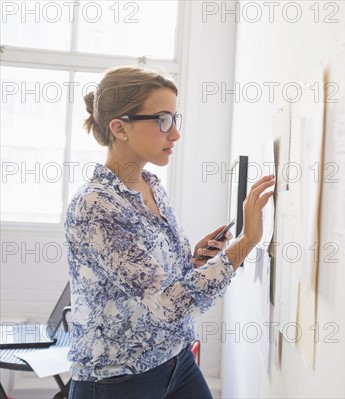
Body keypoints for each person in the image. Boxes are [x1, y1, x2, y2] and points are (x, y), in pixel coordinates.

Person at [64, 66, 274, 399]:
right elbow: (168, 304)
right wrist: (245, 242)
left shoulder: (152, 186)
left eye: (176, 119)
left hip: (175, 361)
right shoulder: (95, 205)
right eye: (163, 120)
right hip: (118, 382)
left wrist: (192, 262)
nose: (174, 134)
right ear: (120, 128)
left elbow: (157, 283)